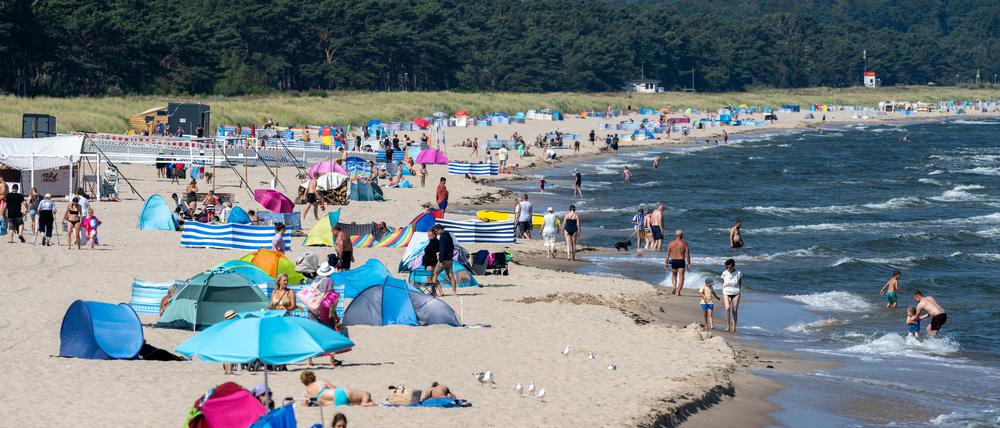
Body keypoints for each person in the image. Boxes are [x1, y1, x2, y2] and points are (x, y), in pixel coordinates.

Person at [300, 370, 373, 407]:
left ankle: (366, 403)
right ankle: (365, 403)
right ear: (313, 377)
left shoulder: (305, 393)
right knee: (366, 394)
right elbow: (334, 388)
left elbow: (304, 406)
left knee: (358, 402)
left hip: (335, 404)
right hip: (339, 394)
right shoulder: (321, 382)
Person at [430, 225, 457, 296]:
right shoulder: (448, 234)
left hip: (443, 260)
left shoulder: (442, 237)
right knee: (451, 276)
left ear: (440, 229)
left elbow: (442, 249)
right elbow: (452, 247)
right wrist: (450, 256)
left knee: (434, 275)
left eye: (436, 231)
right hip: (450, 260)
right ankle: (454, 292)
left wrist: (441, 260)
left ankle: (435, 292)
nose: (436, 233)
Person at [665, 230, 691, 296]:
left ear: (675, 235)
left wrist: (666, 263)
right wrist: (689, 263)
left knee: (674, 275)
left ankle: (674, 287)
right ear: (681, 235)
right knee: (681, 278)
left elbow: (668, 254)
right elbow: (687, 255)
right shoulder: (684, 243)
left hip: (673, 261)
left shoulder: (671, 243)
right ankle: (678, 292)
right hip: (681, 261)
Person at [720, 258, 743, 332]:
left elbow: (740, 283)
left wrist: (739, 291)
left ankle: (734, 327)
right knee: (727, 308)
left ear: (733, 266)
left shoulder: (738, 273)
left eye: (729, 267)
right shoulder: (724, 273)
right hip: (726, 292)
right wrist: (724, 289)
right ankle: (728, 326)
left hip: (736, 292)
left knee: (735, 310)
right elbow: (722, 282)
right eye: (726, 267)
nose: (728, 269)